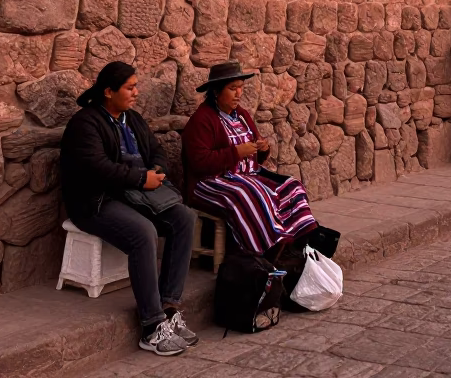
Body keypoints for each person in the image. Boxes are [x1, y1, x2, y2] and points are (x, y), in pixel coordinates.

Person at [61, 62, 197, 357]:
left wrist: (156, 170)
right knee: (142, 232)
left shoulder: (132, 119)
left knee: (184, 218)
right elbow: (96, 168)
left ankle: (169, 307)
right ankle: (151, 327)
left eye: (136, 86)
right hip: (95, 201)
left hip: (137, 196)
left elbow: (157, 151)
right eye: (130, 87)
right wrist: (140, 178)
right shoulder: (86, 123)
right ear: (108, 92)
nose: (136, 92)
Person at [181, 61, 319, 256]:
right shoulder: (202, 120)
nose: (239, 93)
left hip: (245, 175)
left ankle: (298, 241)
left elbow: (256, 155)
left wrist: (262, 147)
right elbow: (199, 162)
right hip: (209, 182)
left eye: (241, 88)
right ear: (216, 92)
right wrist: (236, 152)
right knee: (251, 194)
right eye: (232, 89)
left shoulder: (242, 115)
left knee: (292, 186)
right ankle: (267, 250)